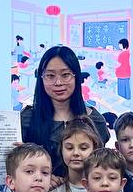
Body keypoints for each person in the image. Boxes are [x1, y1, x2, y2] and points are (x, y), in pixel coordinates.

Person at [20, 45, 110, 174]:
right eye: (50, 76)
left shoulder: (95, 120)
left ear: (76, 76)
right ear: (41, 78)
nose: (58, 82)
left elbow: (100, 167)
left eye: (65, 75)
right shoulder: (27, 119)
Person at [46, 118, 103, 192]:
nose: (76, 153)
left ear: (94, 149)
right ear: (61, 150)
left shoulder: (107, 188)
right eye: (69, 148)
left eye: (83, 148)